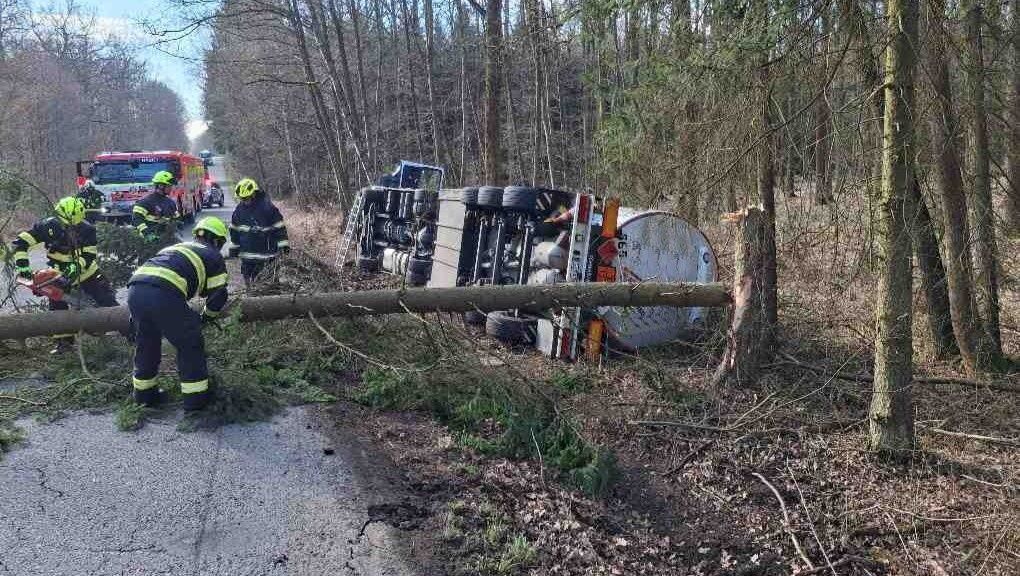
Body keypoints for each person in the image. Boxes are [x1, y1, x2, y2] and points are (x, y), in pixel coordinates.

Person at [126, 217, 230, 410]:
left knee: (147, 343)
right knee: (190, 343)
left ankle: (144, 397)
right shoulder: (213, 255)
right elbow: (218, 295)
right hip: (164, 293)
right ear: (217, 240)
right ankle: (196, 402)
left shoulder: (175, 248)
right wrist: (206, 318)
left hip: (135, 289)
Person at [10, 197, 120, 353]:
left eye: (75, 226)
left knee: (107, 301)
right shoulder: (46, 226)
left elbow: (89, 256)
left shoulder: (87, 229)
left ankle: (130, 333)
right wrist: (23, 269)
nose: (71, 229)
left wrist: (75, 267)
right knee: (57, 308)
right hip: (57, 274)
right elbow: (20, 243)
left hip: (88, 273)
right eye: (68, 225)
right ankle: (64, 343)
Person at [229, 178, 289, 287]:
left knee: (271, 287)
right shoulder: (238, 211)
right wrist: (233, 250)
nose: (244, 201)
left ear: (254, 194)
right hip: (247, 259)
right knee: (251, 289)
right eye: (242, 199)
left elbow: (279, 227)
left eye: (246, 198)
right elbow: (234, 231)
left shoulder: (268, 208)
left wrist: (283, 246)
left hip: (267, 257)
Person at [132, 170, 179, 243]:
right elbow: (137, 219)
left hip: (166, 238)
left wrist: (178, 222)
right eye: (169, 186)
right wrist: (147, 234)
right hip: (149, 241)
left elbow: (175, 218)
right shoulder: (146, 202)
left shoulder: (170, 202)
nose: (171, 188)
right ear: (160, 186)